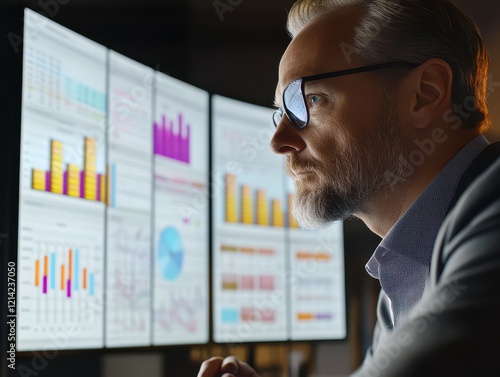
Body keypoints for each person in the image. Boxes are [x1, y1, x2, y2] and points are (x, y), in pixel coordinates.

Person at [198, 0, 500, 375]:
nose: (279, 141)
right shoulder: (401, 276)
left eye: (310, 99)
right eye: (282, 112)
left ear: (427, 93)